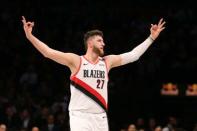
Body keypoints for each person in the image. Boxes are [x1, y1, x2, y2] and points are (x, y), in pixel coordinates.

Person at [21, 16, 165, 131]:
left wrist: (151, 38)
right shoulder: (76, 61)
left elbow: (133, 55)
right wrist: (30, 36)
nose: (103, 43)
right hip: (80, 116)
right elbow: (48, 52)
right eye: (100, 40)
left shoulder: (107, 62)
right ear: (90, 43)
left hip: (100, 117)